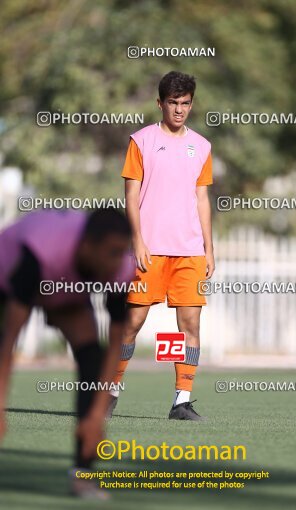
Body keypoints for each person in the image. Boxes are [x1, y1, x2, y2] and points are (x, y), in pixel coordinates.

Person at [0, 208, 134, 498]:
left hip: (65, 288)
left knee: (91, 358)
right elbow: (8, 341)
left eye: (122, 252)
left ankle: (82, 476)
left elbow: (115, 344)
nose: (117, 261)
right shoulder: (42, 251)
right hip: (7, 279)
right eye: (111, 252)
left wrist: (96, 416)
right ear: (87, 245)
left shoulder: (122, 267)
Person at [108, 71, 215, 420]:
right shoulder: (141, 141)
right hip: (149, 250)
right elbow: (131, 192)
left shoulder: (201, 147)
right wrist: (136, 240)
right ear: (160, 103)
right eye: (173, 103)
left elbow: (202, 198)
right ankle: (110, 391)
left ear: (192, 104)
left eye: (185, 103)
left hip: (190, 252)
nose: (179, 110)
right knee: (132, 322)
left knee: (190, 326)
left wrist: (209, 249)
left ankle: (181, 401)